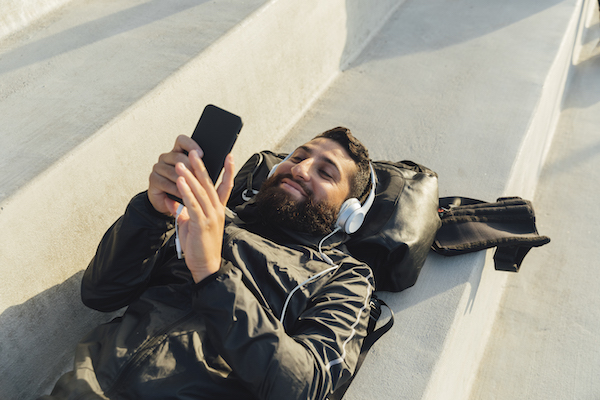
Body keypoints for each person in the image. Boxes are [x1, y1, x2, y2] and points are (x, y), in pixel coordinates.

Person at [40, 127, 375, 400]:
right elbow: (100, 293)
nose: (300, 169)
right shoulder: (214, 216)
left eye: (325, 172)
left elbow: (303, 386)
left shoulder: (346, 277)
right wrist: (153, 211)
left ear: (349, 212)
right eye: (298, 157)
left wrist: (213, 274)